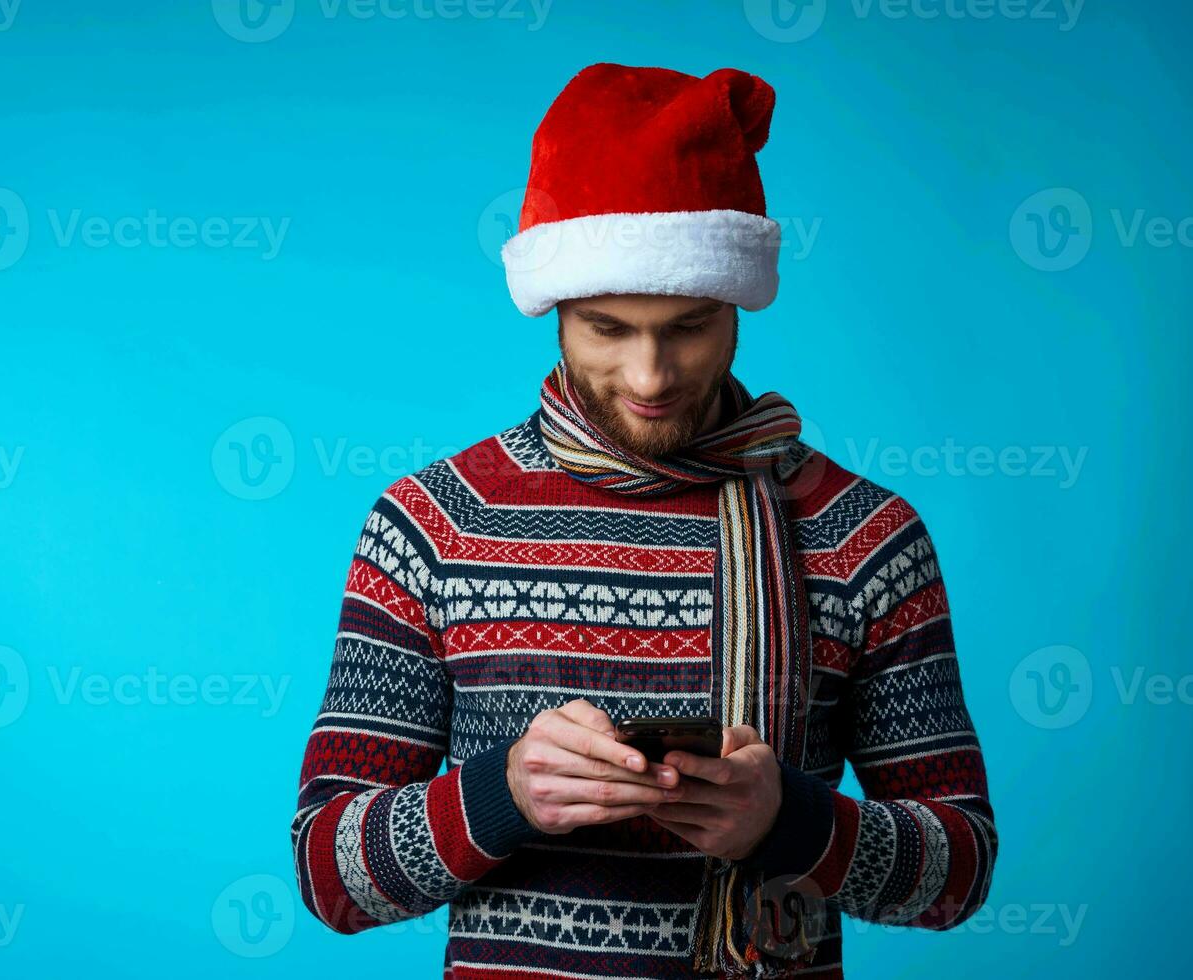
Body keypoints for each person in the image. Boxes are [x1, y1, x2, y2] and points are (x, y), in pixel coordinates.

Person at [289, 62, 997, 979]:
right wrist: (502, 797)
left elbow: (959, 872)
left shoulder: (864, 534)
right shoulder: (433, 523)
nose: (651, 375)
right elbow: (329, 875)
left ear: (737, 304)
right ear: (556, 311)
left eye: (688, 326)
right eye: (608, 328)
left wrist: (789, 822)